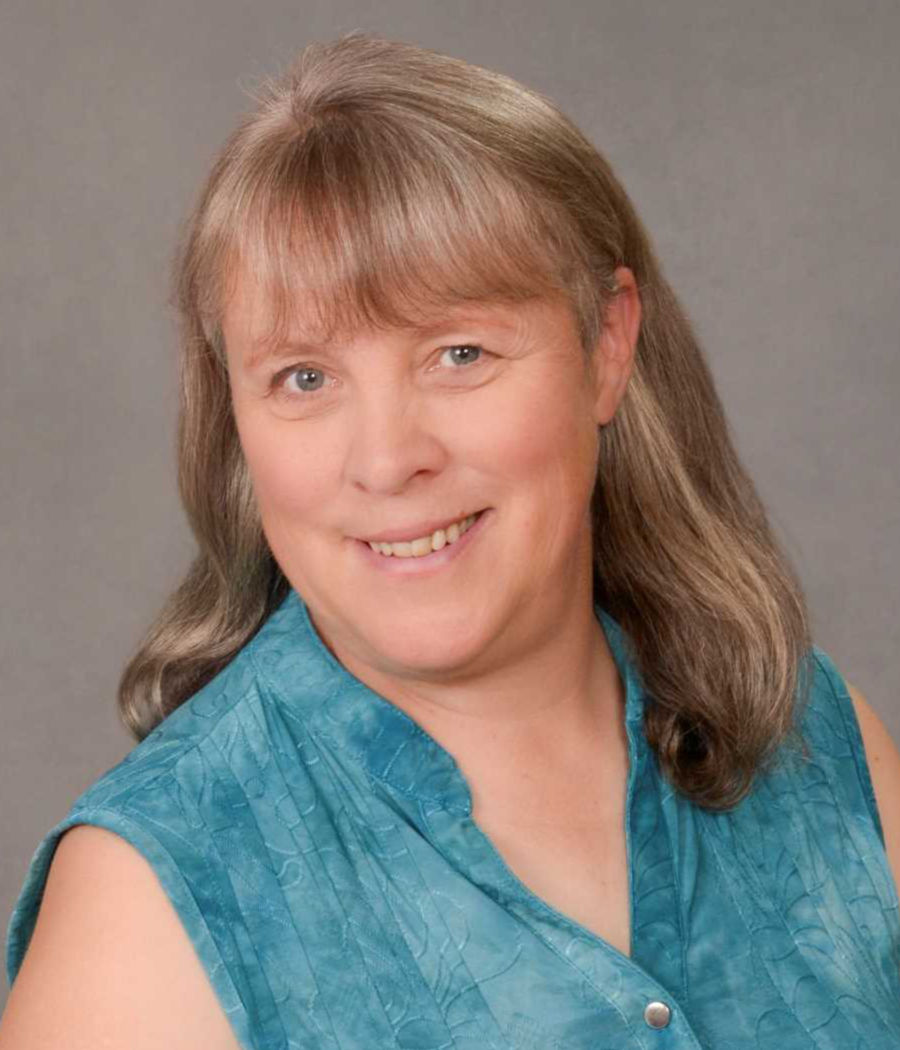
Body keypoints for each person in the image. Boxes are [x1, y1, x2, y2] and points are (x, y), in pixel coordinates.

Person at [2, 30, 898, 1050]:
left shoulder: (822, 747)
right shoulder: (152, 909)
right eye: (305, 377)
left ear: (606, 345)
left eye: (457, 353)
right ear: (236, 420)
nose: (387, 460)